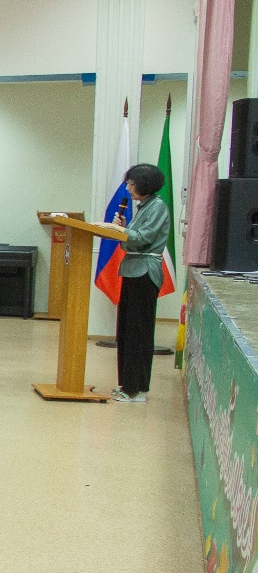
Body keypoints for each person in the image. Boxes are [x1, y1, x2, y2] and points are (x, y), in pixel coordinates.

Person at [111, 163, 172, 402]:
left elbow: (143, 238)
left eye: (131, 183)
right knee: (127, 330)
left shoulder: (157, 207)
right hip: (133, 270)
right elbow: (132, 239)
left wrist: (119, 231)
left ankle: (136, 389)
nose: (128, 188)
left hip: (145, 272)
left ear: (144, 185)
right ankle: (127, 384)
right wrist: (121, 230)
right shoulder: (144, 206)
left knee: (139, 331)